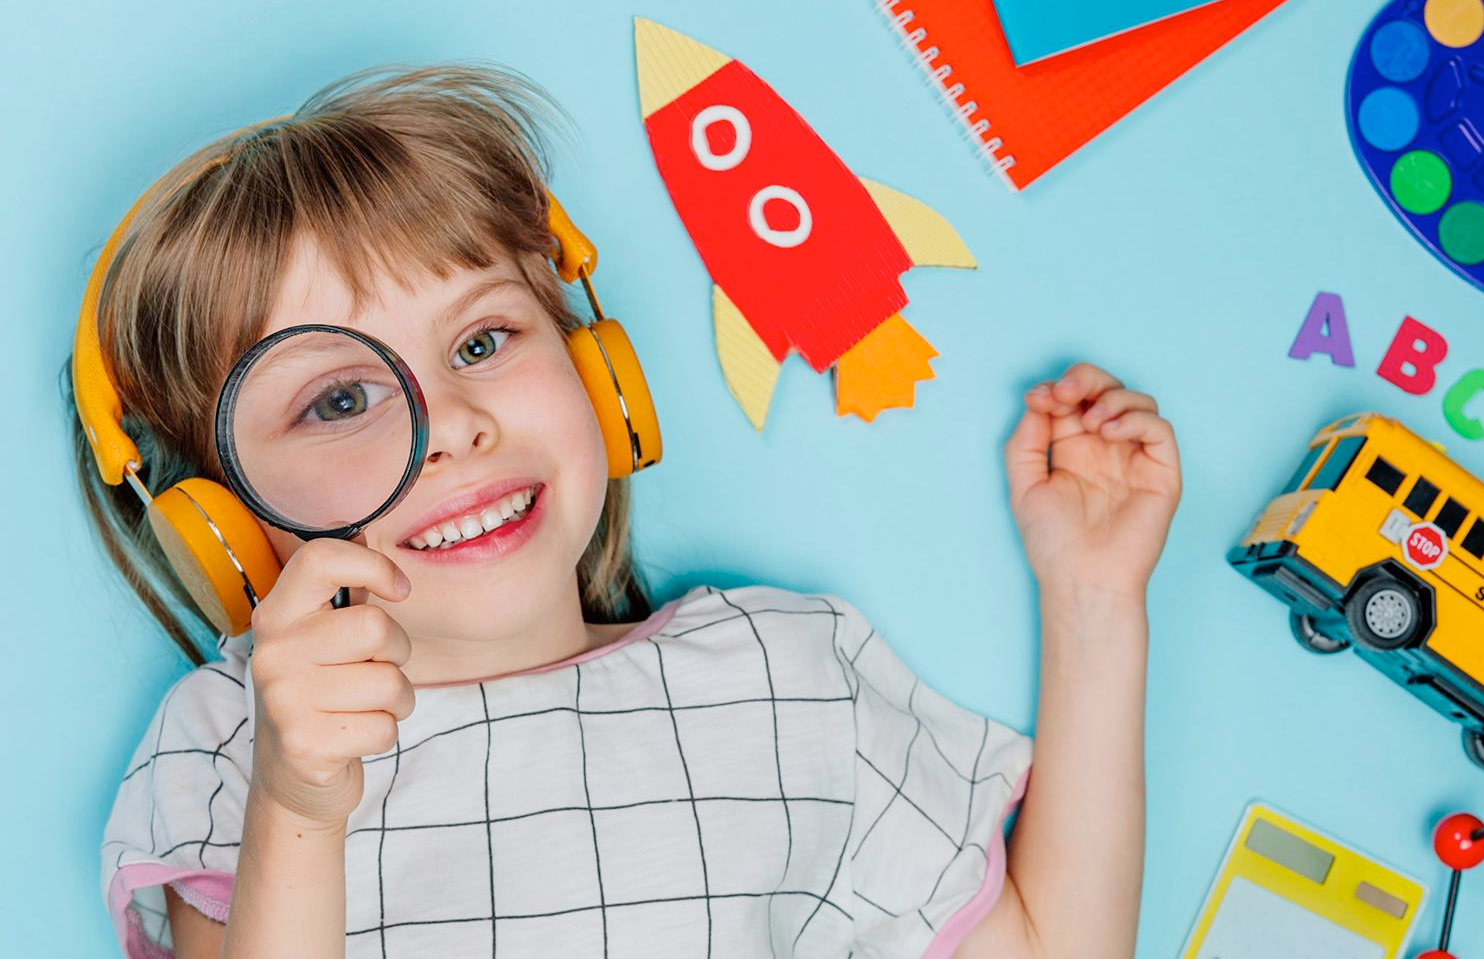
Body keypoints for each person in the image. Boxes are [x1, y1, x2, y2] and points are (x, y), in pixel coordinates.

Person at [82, 63, 1181, 959]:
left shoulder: (784, 673)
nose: (453, 421)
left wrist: (1094, 597)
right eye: (340, 399)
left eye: (481, 341)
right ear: (224, 526)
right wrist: (299, 811)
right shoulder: (239, 745)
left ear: (600, 375)